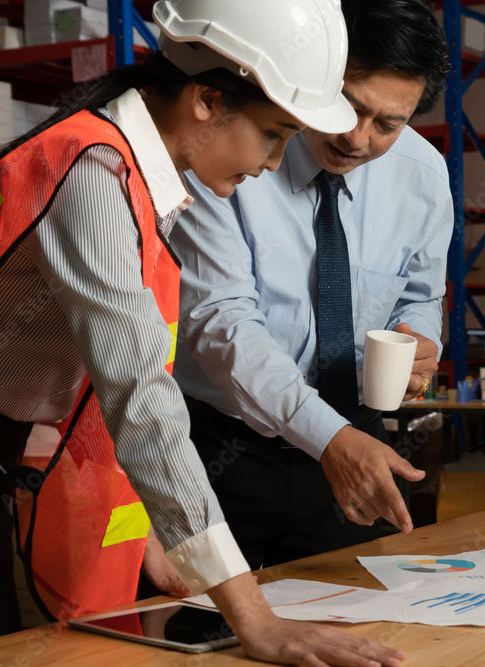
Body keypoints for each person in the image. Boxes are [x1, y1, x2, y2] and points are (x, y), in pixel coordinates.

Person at [0, 1, 404, 663]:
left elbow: (92, 384)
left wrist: (164, 535)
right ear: (208, 100)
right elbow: (142, 401)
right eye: (273, 134)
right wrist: (254, 616)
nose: (274, 163)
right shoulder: (94, 175)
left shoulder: (133, 175)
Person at [170, 0, 452, 570]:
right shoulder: (232, 150)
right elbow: (222, 319)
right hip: (223, 449)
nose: (359, 138)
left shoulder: (422, 175)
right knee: (199, 639)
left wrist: (419, 339)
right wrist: (328, 439)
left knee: (345, 630)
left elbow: (421, 294)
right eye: (349, 107)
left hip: (357, 444)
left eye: (389, 124)